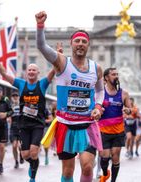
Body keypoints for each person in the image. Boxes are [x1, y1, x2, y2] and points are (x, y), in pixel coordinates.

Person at [35, 11, 104, 182]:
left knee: (87, 167)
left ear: (88, 45)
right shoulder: (61, 62)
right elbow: (42, 47)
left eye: (84, 42)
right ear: (71, 44)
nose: (80, 44)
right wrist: (40, 26)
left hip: (87, 124)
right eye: (77, 41)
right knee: (67, 171)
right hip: (66, 125)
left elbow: (100, 91)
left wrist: (97, 107)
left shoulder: (97, 68)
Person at [0, 51, 55, 181]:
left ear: (38, 73)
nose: (31, 72)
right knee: (25, 155)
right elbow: (4, 74)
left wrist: (58, 55)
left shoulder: (42, 84)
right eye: (29, 70)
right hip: (24, 124)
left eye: (34, 70)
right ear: (27, 72)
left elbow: (54, 71)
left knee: (33, 152)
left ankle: (32, 177)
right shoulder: (21, 84)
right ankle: (33, 165)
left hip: (37, 124)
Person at [98, 68, 131, 182]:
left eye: (117, 74)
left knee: (115, 156)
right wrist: (97, 110)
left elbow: (129, 108)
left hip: (118, 130)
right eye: (113, 74)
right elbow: (94, 106)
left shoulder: (124, 93)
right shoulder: (100, 93)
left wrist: (128, 110)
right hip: (103, 130)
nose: (116, 76)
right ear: (106, 77)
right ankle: (104, 172)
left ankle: (113, 180)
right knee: (105, 157)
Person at [9, 91, 24, 169]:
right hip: (13, 127)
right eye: (13, 96)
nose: (15, 97)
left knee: (20, 145)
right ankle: (16, 161)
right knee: (14, 146)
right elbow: (8, 115)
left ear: (19, 97)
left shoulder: (22, 105)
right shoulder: (10, 106)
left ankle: (21, 155)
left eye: (16, 96)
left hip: (21, 127)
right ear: (11, 97)